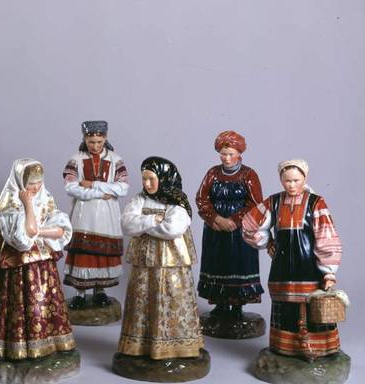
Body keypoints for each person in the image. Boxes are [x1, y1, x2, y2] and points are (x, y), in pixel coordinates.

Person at [243, 159, 342, 361]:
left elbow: (326, 236)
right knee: (285, 307)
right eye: (287, 181)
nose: (292, 185)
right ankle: (285, 349)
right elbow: (250, 224)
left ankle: (316, 348)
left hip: (309, 268)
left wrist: (329, 272)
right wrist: (267, 242)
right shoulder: (274, 202)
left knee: (313, 308)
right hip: (282, 268)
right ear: (281, 180)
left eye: (296, 180)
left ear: (305, 178)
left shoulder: (315, 202)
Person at [0, 159, 76, 360]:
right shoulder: (10, 204)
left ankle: (48, 343)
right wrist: (27, 205)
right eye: (30, 184)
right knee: (19, 304)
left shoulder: (45, 196)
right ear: (20, 182)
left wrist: (38, 232)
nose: (35, 188)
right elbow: (23, 239)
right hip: (19, 265)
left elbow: (61, 230)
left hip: (43, 264)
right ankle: (18, 348)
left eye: (39, 182)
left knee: (45, 302)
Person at [117, 156, 203, 359]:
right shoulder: (140, 199)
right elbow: (126, 224)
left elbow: (172, 228)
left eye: (151, 179)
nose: (147, 184)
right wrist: (154, 219)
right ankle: (141, 345)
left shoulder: (177, 203)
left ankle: (175, 345)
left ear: (164, 179)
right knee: (142, 299)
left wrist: (142, 225)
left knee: (171, 298)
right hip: (144, 262)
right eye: (144, 179)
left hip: (171, 262)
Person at [195, 130, 264, 319]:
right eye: (223, 154)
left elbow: (256, 203)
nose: (226, 158)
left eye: (230, 154)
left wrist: (235, 220)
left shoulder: (249, 174)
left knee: (238, 264)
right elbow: (201, 198)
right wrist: (215, 219)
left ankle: (237, 306)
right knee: (217, 263)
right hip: (215, 230)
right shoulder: (213, 173)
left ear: (239, 154)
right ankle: (221, 304)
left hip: (240, 231)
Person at [62, 121, 129, 309]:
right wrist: (101, 193)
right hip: (84, 214)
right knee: (83, 252)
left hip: (107, 215)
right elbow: (70, 187)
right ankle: (80, 293)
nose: (95, 146)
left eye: (99, 142)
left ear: (105, 138)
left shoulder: (116, 160)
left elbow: (123, 188)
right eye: (91, 142)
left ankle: (100, 290)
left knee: (104, 251)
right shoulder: (76, 159)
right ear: (85, 139)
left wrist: (92, 184)